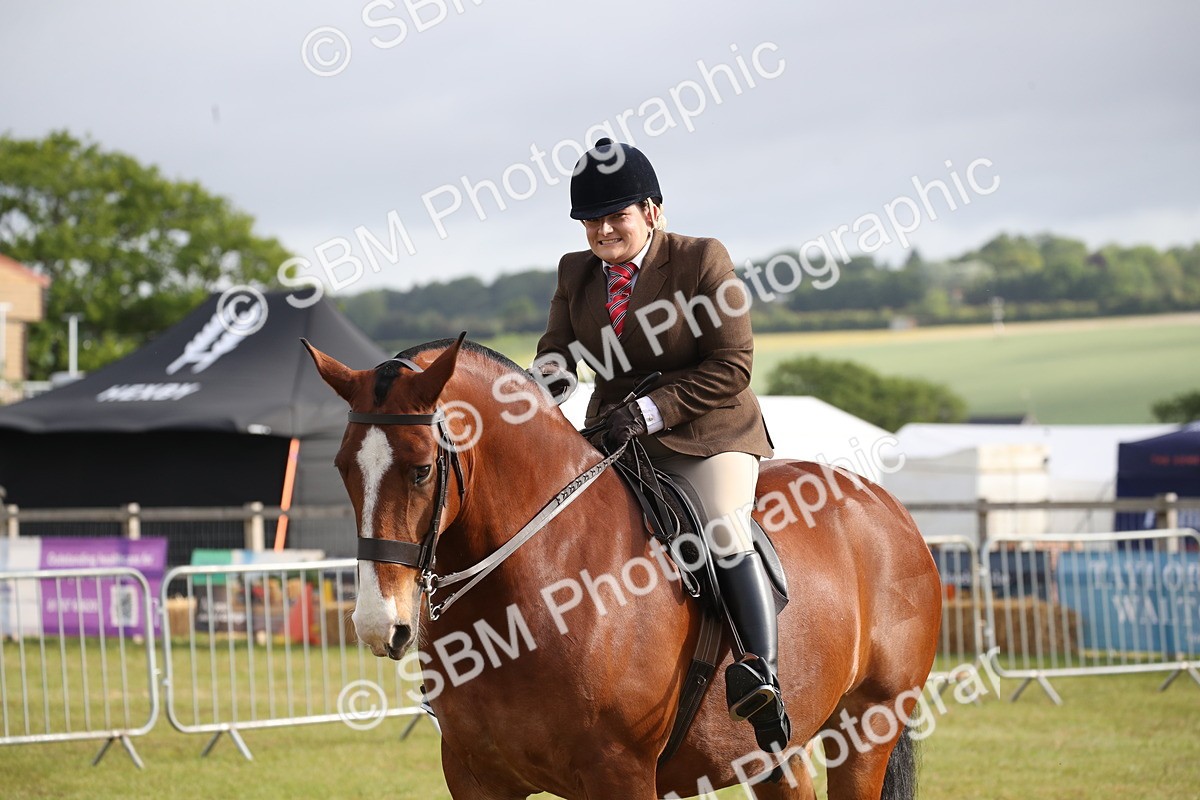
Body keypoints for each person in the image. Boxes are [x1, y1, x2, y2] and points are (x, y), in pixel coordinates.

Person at [531, 138, 790, 751]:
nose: (601, 229)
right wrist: (528, 394)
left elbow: (733, 364)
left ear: (652, 211)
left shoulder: (701, 260)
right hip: (615, 439)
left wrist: (648, 411)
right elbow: (558, 357)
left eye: (615, 215)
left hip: (708, 433)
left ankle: (760, 672)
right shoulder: (575, 272)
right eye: (591, 219)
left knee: (723, 529)